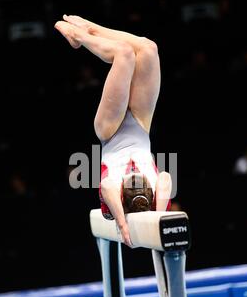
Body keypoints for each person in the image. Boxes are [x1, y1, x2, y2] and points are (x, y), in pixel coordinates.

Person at [55, 15, 172, 246]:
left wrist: (121, 221)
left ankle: (79, 36)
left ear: (124, 195)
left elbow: (107, 186)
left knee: (124, 54)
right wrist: (158, 217)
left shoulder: (113, 196)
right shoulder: (157, 195)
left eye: (132, 184)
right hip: (141, 123)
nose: (137, 179)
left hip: (110, 130)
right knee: (149, 48)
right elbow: (166, 178)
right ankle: (92, 29)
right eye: (143, 184)